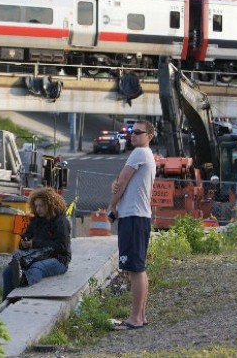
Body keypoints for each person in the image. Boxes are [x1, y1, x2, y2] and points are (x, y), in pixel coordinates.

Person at [107, 120, 156, 330]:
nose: (133, 135)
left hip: (133, 217)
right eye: (131, 131)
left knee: (135, 269)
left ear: (149, 136)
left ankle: (135, 318)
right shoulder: (145, 155)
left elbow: (123, 180)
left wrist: (111, 206)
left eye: (138, 132)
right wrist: (117, 183)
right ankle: (140, 316)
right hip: (140, 216)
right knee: (138, 268)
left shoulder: (139, 153)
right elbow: (120, 181)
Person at [2, 187, 71, 299]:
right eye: (36, 206)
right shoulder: (36, 220)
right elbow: (27, 236)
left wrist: (34, 243)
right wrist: (24, 242)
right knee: (8, 272)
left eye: (41, 206)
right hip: (37, 255)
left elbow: (61, 247)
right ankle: (6, 302)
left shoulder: (61, 222)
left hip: (59, 259)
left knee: (37, 267)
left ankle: (24, 280)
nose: (38, 209)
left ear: (50, 205)